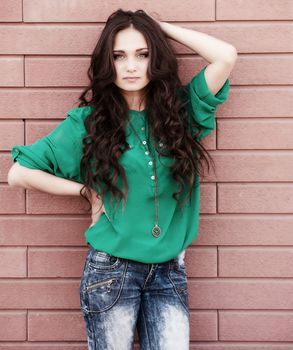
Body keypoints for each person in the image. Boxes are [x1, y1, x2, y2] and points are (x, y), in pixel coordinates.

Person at [7, 8, 237, 350]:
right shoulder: (89, 123)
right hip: (112, 272)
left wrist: (158, 29)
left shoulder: (179, 114)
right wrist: (86, 191)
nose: (130, 66)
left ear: (155, 58)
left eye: (142, 54)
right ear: (107, 63)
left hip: (169, 271)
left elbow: (225, 56)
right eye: (119, 56)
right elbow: (19, 173)